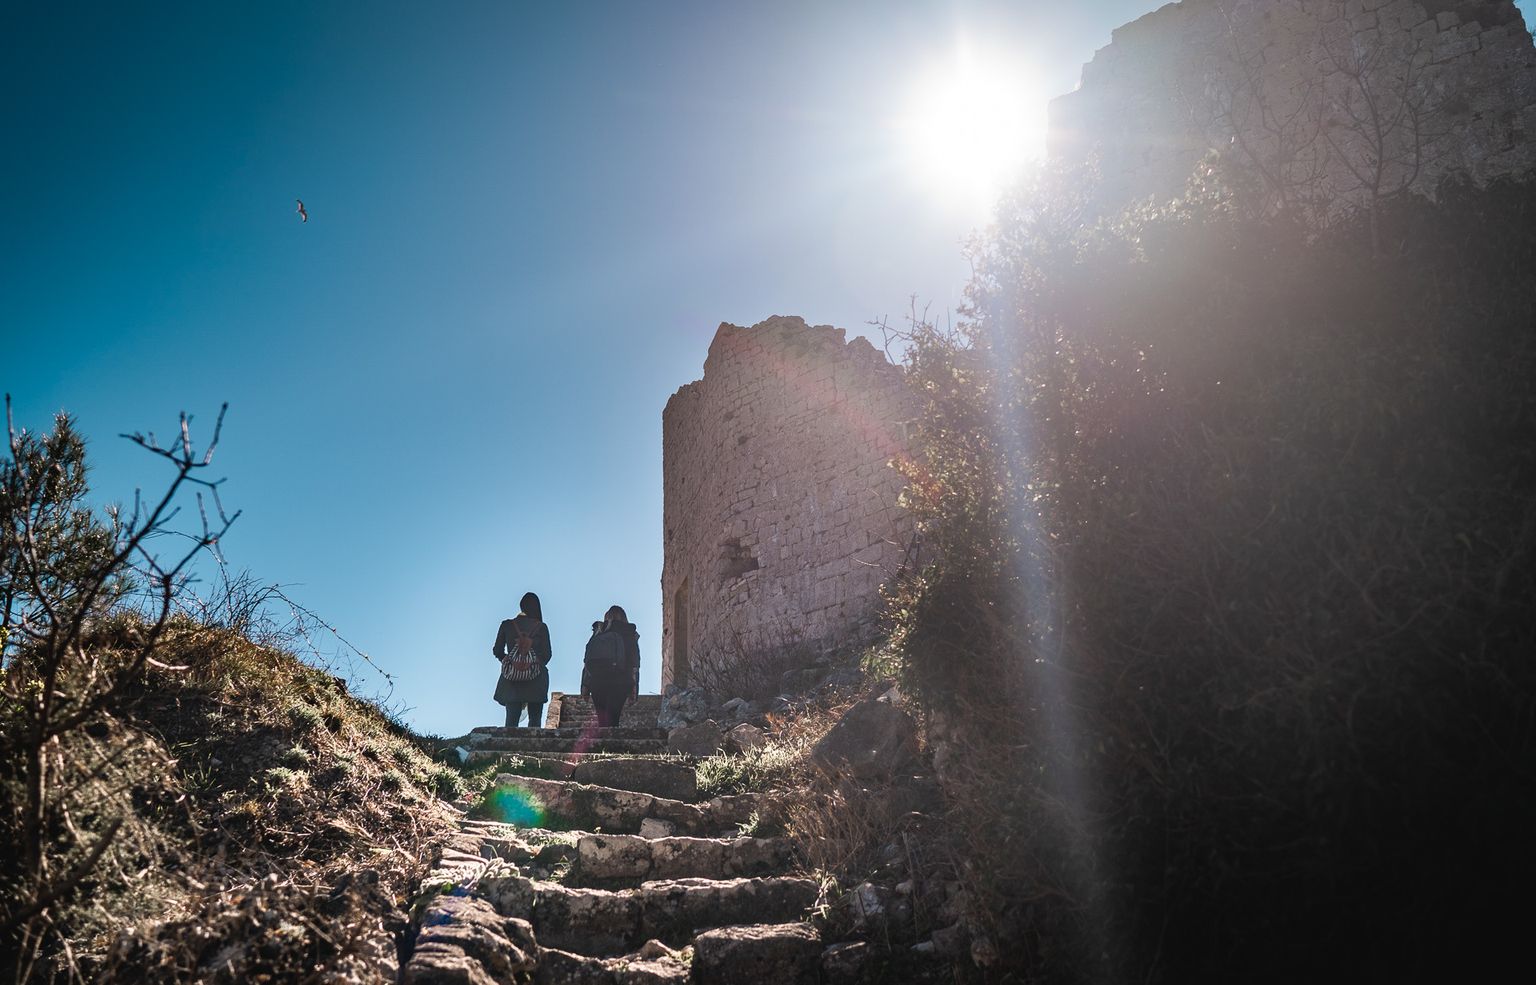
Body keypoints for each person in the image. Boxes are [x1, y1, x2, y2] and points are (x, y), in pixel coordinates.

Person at [492, 591, 552, 729]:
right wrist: (532, 665)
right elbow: (547, 654)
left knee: (511, 720)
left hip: (512, 679)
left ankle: (509, 742)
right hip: (536, 678)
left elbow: (497, 650)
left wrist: (511, 662)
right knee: (535, 719)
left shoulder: (507, 625)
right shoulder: (541, 627)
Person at [582, 605, 640, 727]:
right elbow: (634, 662)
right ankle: (610, 737)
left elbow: (587, 659)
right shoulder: (629, 632)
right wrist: (634, 687)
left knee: (602, 720)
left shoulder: (599, 631)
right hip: (621, 680)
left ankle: (603, 738)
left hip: (597, 680)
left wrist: (585, 685)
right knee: (613, 718)